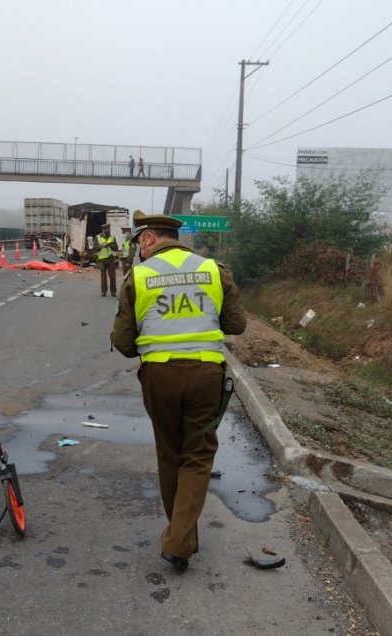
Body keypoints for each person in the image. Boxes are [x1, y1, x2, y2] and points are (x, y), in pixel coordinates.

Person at [110, 211, 247, 572]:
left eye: (139, 242)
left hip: (159, 376)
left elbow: (122, 342)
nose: (139, 249)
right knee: (198, 456)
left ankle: (179, 539)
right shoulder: (213, 270)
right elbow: (236, 324)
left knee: (170, 454)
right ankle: (180, 540)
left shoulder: (139, 276)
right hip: (205, 374)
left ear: (150, 238)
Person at [95, 224, 119, 297]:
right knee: (103, 276)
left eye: (108, 230)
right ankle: (104, 291)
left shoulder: (112, 237)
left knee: (112, 276)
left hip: (111, 258)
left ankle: (113, 291)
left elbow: (116, 248)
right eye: (106, 230)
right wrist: (101, 246)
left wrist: (111, 245)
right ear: (103, 230)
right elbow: (95, 248)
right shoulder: (98, 237)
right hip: (102, 259)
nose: (107, 231)